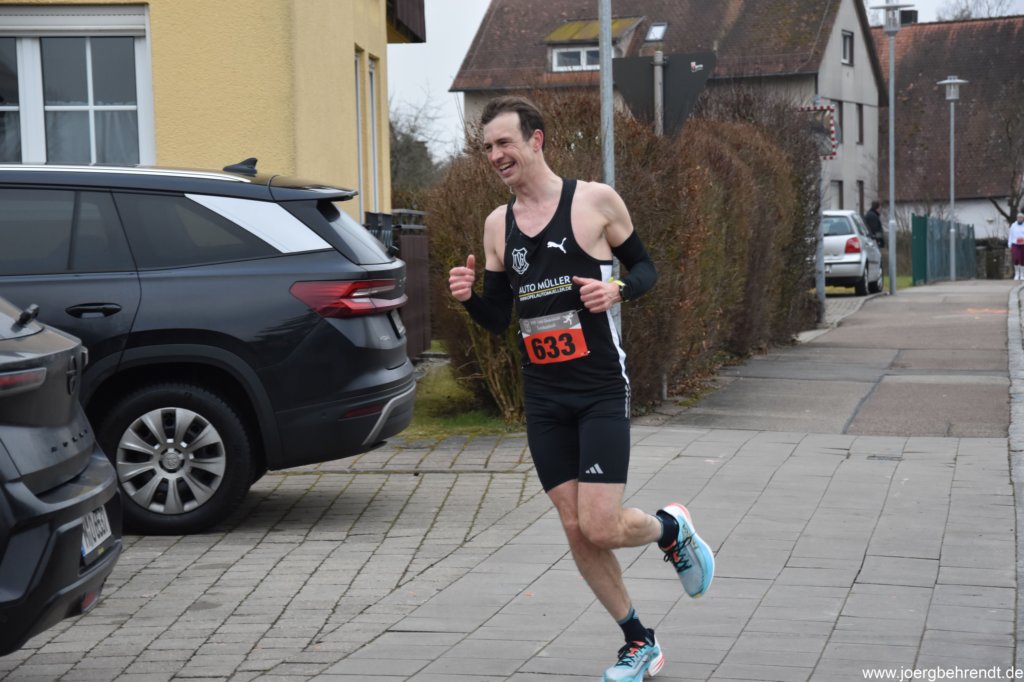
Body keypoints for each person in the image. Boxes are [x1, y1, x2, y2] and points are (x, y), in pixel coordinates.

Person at [447, 95, 714, 682]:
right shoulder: (497, 225)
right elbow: (497, 317)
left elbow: (646, 269)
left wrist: (617, 290)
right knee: (575, 526)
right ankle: (638, 641)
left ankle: (671, 529)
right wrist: (468, 298)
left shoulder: (594, 201)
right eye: (487, 147)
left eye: (504, 143)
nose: (495, 155)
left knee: (600, 524)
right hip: (543, 397)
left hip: (598, 389)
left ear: (536, 139)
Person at [1009, 212, 1024, 280]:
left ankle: (1022, 274)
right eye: (1018, 217)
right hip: (1015, 244)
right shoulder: (1013, 225)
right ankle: (1017, 274)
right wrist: (1009, 244)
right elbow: (1011, 235)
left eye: (1021, 218)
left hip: (1023, 244)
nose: (1020, 219)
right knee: (1016, 258)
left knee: (1022, 259)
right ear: (1017, 218)